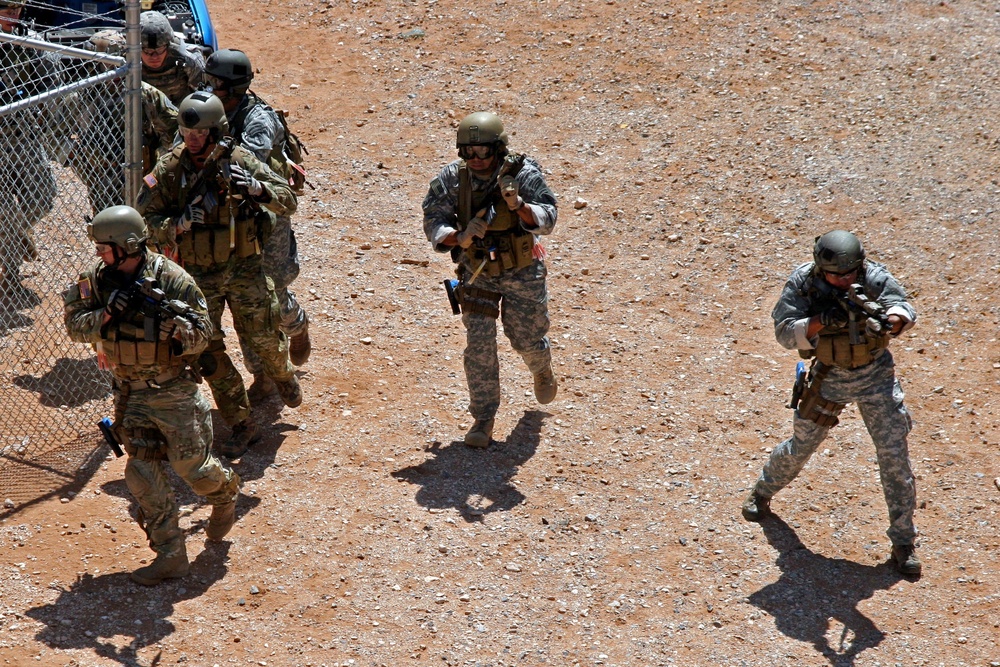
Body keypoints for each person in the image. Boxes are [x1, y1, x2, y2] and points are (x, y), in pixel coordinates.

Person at [63, 205, 241, 585]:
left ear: (127, 245)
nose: (99, 254)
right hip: (130, 395)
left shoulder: (172, 279)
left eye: (104, 247)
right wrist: (107, 315)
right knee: (141, 475)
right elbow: (75, 327)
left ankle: (225, 492)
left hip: (174, 392)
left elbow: (204, 332)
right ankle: (171, 556)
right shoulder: (95, 280)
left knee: (193, 469)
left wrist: (174, 332)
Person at [741, 230, 921, 575]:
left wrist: (891, 322)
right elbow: (784, 332)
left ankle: (903, 541)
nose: (846, 280)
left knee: (894, 456)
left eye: (851, 273)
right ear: (822, 268)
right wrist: (822, 321)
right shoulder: (804, 282)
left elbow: (903, 307)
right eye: (837, 275)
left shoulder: (873, 276)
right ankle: (762, 491)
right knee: (801, 445)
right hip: (828, 378)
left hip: (875, 377)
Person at [137, 90, 301, 459]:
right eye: (187, 133)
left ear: (216, 132)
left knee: (262, 339)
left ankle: (282, 373)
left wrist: (256, 188)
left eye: (200, 134)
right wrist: (174, 226)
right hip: (196, 276)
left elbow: (287, 199)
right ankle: (242, 423)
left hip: (245, 268)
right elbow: (144, 220)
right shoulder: (168, 169)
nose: (193, 140)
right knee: (205, 350)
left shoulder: (240, 160)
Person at [422, 111, 558, 448]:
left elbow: (548, 217)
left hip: (523, 271)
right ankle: (483, 418)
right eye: (469, 152)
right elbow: (433, 221)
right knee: (479, 346)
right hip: (478, 271)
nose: (476, 159)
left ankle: (540, 367)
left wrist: (519, 205)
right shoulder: (453, 179)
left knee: (525, 339)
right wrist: (460, 237)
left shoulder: (521, 173)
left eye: (483, 151)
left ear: (497, 149)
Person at [204, 48, 311, 401]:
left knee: (274, 294)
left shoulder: (259, 120)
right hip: (228, 219)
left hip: (266, 215)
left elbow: (249, 164)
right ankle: (262, 374)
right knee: (245, 297)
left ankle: (296, 326)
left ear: (234, 88)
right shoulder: (210, 112)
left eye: (216, 83)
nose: (210, 88)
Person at [67, 29, 179, 213]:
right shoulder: (81, 96)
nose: (117, 72)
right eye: (109, 66)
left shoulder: (144, 93)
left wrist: (159, 165)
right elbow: (52, 133)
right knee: (109, 231)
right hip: (101, 179)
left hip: (142, 177)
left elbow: (175, 130)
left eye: (121, 64)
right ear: (95, 66)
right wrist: (80, 160)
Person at [0, 0, 59, 300]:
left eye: (17, 10)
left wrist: (39, 116)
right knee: (4, 209)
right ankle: (10, 275)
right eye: (5, 9)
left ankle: (15, 234)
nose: (12, 16)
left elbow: (52, 88)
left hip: (23, 136)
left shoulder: (31, 44)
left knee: (43, 198)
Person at [139, 10, 204, 106]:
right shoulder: (123, 61)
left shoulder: (187, 60)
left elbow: (203, 93)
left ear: (168, 46)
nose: (154, 56)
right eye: (148, 51)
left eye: (160, 49)